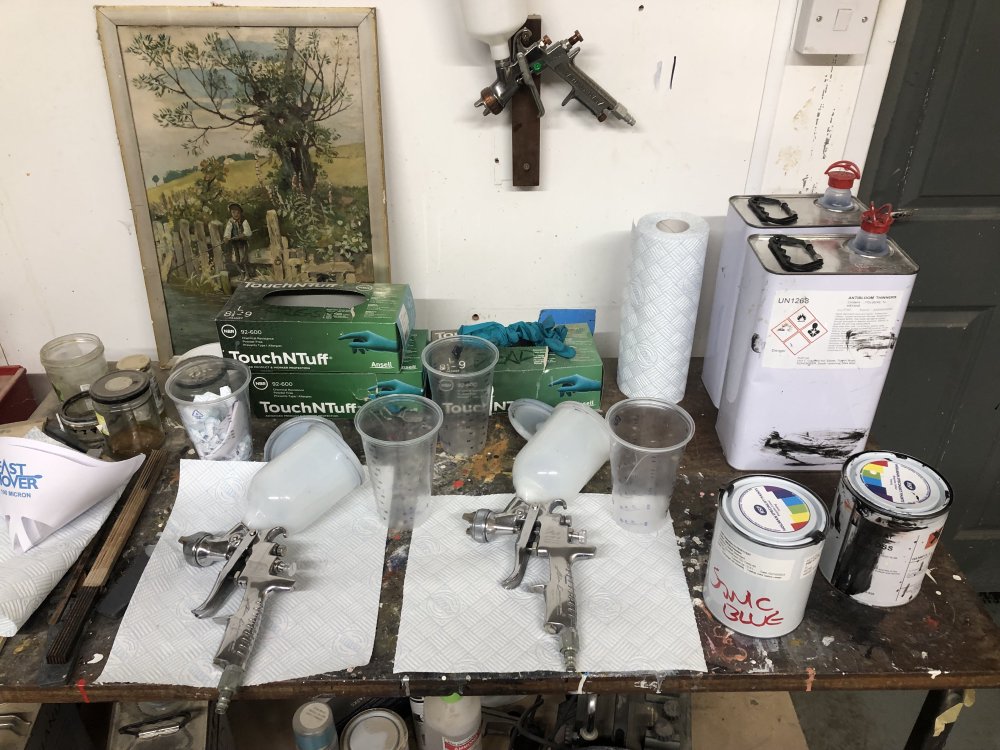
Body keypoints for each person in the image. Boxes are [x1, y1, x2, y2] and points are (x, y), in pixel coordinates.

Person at [223, 202, 252, 277]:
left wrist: (241, 235)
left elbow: (248, 232)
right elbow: (228, 231)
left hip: (242, 243)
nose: (235, 214)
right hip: (234, 244)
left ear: (240, 213)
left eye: (237, 212)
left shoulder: (244, 221)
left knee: (243, 259)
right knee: (235, 260)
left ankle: (247, 275)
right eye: (233, 212)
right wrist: (226, 238)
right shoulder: (230, 222)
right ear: (231, 213)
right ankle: (242, 273)